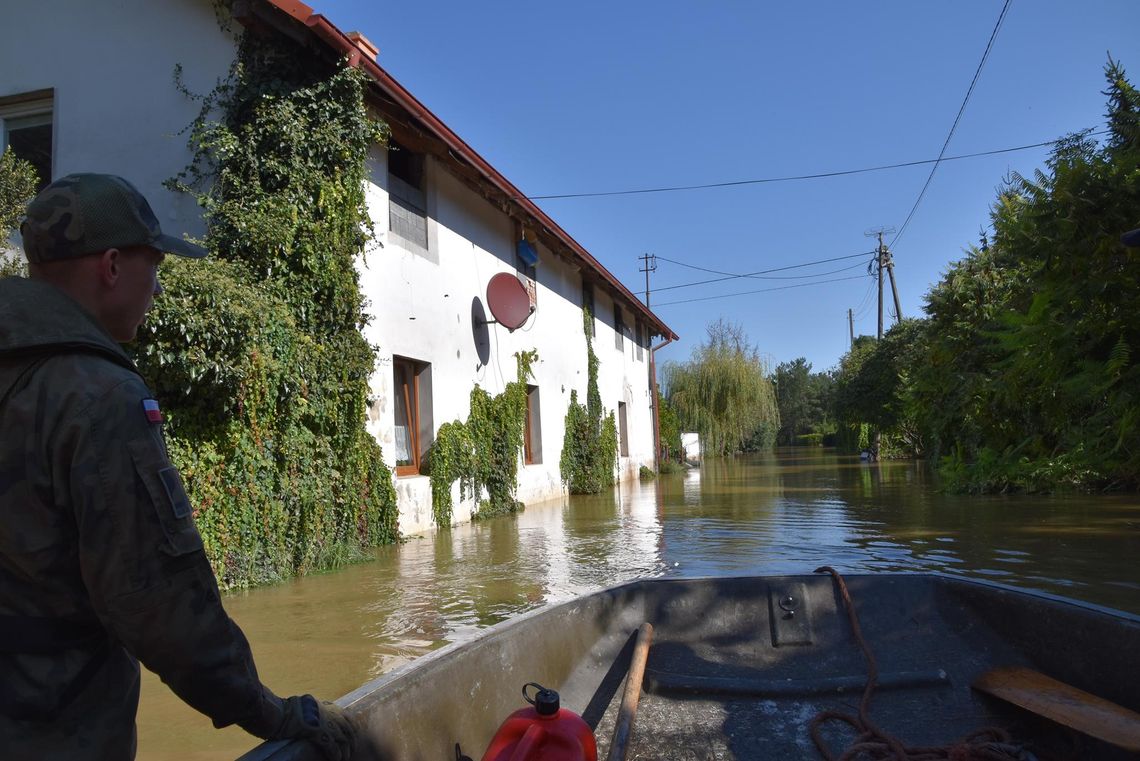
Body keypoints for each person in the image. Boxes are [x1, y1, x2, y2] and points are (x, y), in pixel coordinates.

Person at [0, 174, 357, 760]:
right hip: (51, 729)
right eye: (155, 267)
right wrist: (273, 713)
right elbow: (161, 606)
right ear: (111, 266)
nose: (159, 288)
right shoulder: (97, 396)